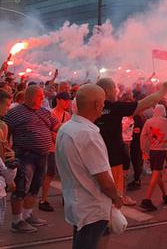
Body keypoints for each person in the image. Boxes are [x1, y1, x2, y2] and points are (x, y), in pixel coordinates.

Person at [55, 84, 123, 249]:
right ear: (97, 105)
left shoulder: (66, 128)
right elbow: (103, 178)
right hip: (92, 207)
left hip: (77, 203)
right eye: (103, 103)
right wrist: (116, 197)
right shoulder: (88, 134)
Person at [94, 78, 167, 207]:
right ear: (107, 91)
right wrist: (163, 90)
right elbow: (145, 103)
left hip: (95, 159)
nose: (116, 92)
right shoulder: (115, 107)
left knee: (98, 197)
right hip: (113, 160)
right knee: (112, 201)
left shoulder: (90, 109)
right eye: (115, 89)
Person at [4, 85, 58, 233]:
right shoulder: (14, 113)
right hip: (24, 155)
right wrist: (7, 152)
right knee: (21, 187)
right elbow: (4, 132)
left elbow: (56, 125)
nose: (43, 98)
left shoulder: (44, 112)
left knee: (35, 186)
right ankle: (17, 221)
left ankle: (27, 215)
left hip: (42, 155)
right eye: (40, 96)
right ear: (31, 96)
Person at [139, 104, 167, 211]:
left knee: (158, 175)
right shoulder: (166, 121)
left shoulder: (148, 122)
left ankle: (165, 194)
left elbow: (142, 136)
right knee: (156, 174)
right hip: (161, 152)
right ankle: (147, 199)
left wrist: (144, 151)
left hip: (152, 151)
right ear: (163, 111)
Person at [39, 92, 71, 212]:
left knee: (65, 174)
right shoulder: (51, 113)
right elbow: (50, 131)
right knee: (50, 173)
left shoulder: (67, 115)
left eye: (68, 101)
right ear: (58, 100)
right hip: (52, 148)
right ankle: (44, 199)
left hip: (62, 147)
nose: (67, 103)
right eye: (65, 100)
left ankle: (65, 196)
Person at [126, 111, 146, 192]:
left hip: (136, 142)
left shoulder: (136, 117)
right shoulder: (139, 116)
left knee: (136, 160)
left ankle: (137, 181)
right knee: (137, 161)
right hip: (138, 142)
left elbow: (136, 130)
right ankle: (137, 178)